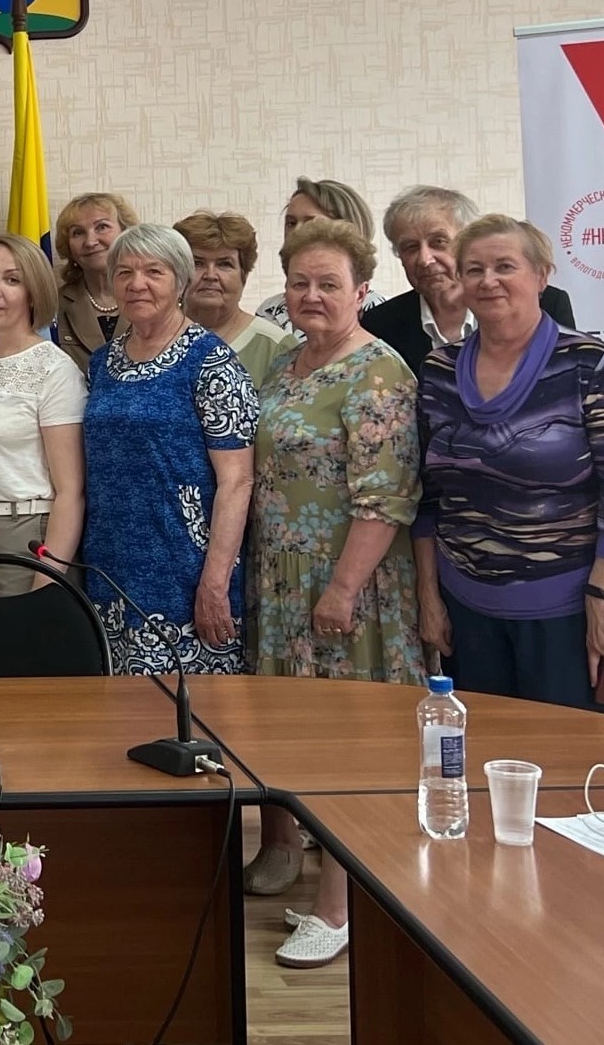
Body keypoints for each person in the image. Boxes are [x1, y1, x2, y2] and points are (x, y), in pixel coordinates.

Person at [243, 219, 425, 968]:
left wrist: (341, 589)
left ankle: (339, 909)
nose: (311, 295)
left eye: (329, 284)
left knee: (349, 750)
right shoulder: (286, 365)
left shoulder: (378, 372)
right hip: (282, 586)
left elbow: (387, 498)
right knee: (300, 745)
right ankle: (329, 890)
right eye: (300, 283)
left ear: (361, 291)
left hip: (348, 589)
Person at [413, 216, 604, 710]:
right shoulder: (438, 371)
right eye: (474, 269)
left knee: (571, 751)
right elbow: (427, 498)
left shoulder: (590, 364)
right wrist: (429, 598)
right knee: (482, 748)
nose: (488, 281)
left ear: (542, 275)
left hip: (571, 613)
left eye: (505, 266)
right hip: (466, 611)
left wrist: (602, 600)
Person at [79, 223, 258, 674]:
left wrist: (214, 583)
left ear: (181, 281)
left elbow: (238, 481)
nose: (136, 284)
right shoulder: (102, 362)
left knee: (193, 710)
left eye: (153, 272)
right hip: (110, 568)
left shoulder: (211, 362)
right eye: (124, 273)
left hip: (186, 571)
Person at [0, 233, 84, 592]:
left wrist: (49, 573)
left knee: (24, 629)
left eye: (12, 280)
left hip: (27, 532)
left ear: (33, 292)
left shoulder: (54, 369)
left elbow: (70, 490)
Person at [363, 186, 579, 375]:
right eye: (410, 247)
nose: (425, 259)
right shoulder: (379, 325)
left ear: (469, 244)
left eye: (439, 242)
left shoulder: (545, 304)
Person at [176, 211, 293, 386]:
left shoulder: (277, 347)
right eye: (197, 263)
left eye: (224, 264)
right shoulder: (152, 338)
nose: (210, 275)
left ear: (243, 275)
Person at [254, 179, 387, 329]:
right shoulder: (270, 312)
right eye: (291, 223)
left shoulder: (381, 313)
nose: (296, 231)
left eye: (310, 222)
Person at [54, 192, 138, 369]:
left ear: (126, 233)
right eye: (78, 232)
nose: (90, 242)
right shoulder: (54, 306)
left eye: (102, 227)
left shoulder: (151, 297)